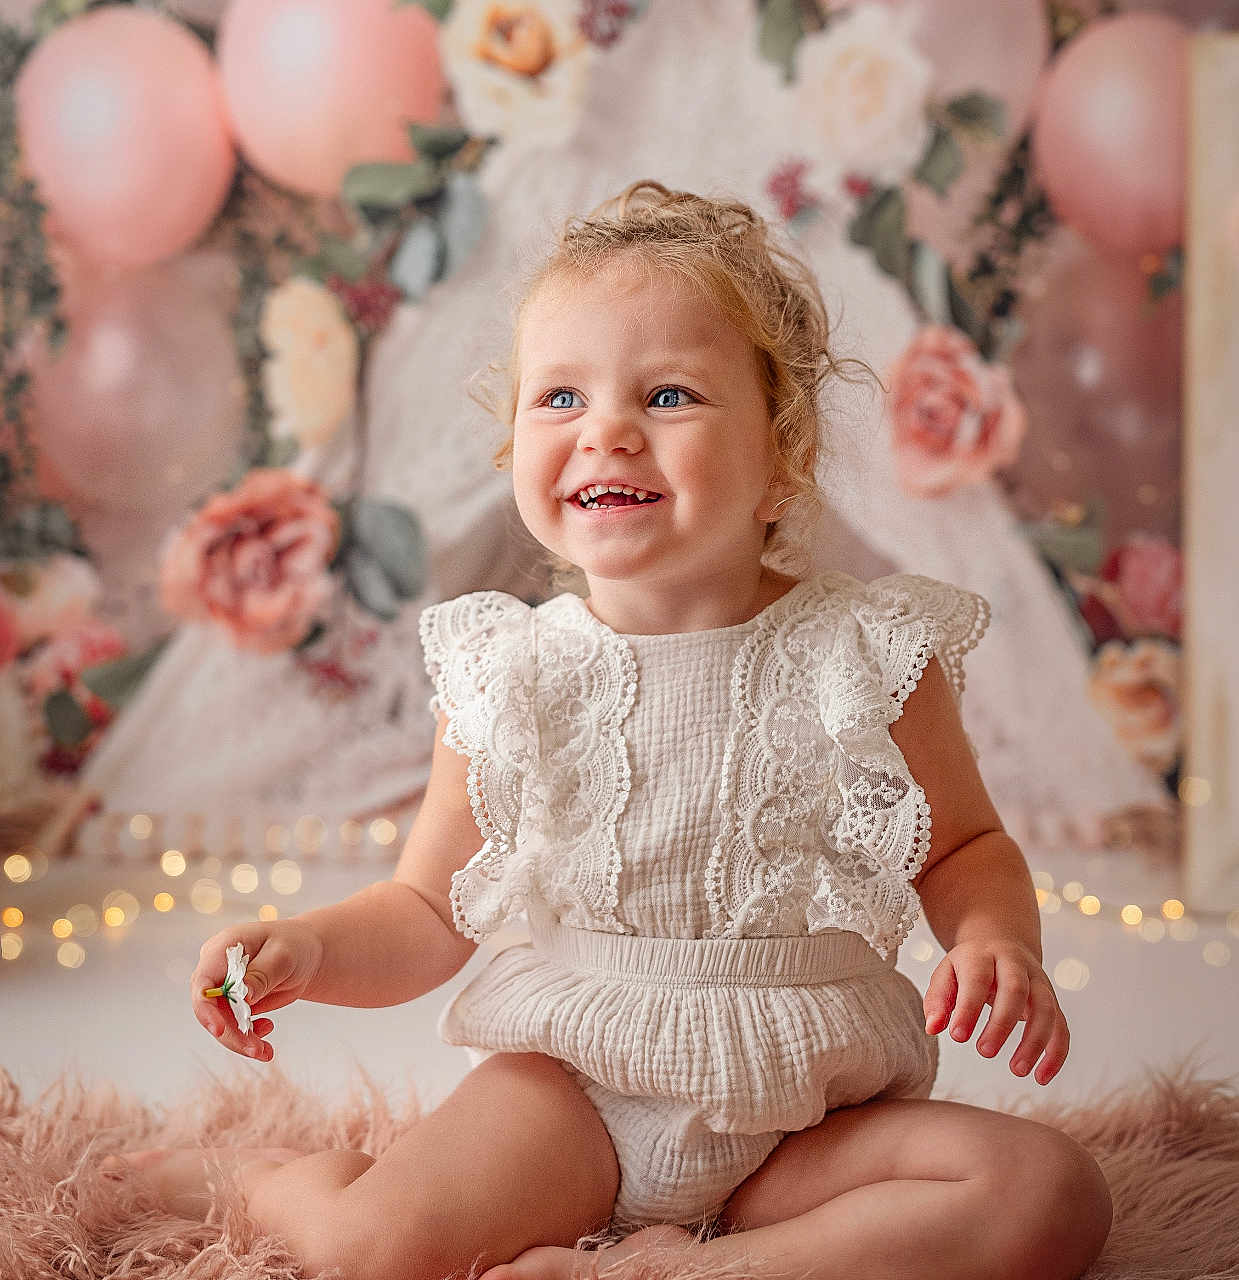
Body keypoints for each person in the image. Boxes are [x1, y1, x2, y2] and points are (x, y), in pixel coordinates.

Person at [107, 181, 1114, 1280]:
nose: (607, 431)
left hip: (806, 1107)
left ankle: (671, 1268)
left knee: (1047, 1193)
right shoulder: (512, 670)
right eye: (559, 399)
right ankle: (267, 1179)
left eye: (669, 393)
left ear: (780, 462)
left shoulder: (863, 654)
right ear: (514, 452)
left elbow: (965, 846)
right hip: (575, 1096)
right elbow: (427, 908)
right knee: (369, 1251)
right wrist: (310, 945)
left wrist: (995, 940)